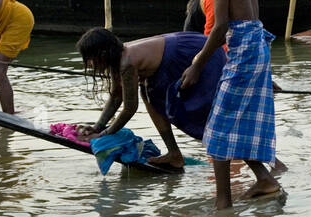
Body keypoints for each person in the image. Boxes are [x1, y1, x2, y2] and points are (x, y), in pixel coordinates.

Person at [178, 0, 280, 208]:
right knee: (240, 118)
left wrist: (198, 63)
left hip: (244, 50)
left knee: (219, 126)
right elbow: (253, 16)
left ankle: (223, 203)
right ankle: (265, 179)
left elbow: (221, 26)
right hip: (254, 45)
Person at [74, 28, 227, 171]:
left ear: (102, 54)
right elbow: (116, 97)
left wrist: (102, 136)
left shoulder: (126, 62)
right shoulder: (118, 58)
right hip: (178, 51)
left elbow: (129, 109)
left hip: (194, 52)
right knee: (149, 95)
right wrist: (97, 127)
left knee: (204, 107)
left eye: (90, 59)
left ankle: (226, 152)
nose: (89, 64)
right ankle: (174, 154)